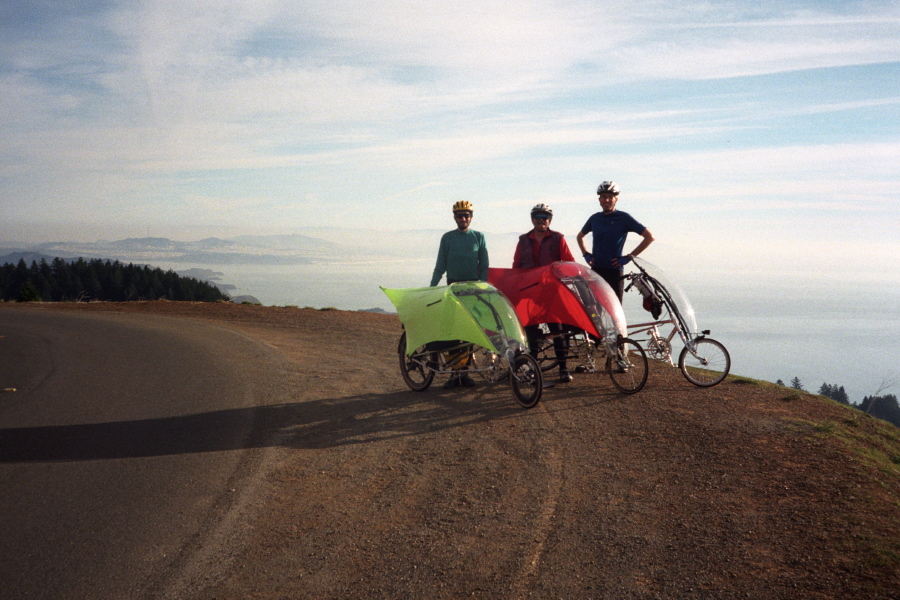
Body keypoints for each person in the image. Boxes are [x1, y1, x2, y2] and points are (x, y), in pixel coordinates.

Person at [513, 203, 577, 382]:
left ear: (550, 220)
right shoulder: (523, 240)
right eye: (537, 217)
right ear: (532, 219)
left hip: (551, 291)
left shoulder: (558, 238)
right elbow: (517, 265)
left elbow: (569, 262)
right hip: (530, 291)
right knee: (531, 330)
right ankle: (533, 367)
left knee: (558, 329)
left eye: (545, 218)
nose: (541, 221)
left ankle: (563, 368)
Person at [431, 200, 489, 388]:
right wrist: (432, 288)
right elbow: (440, 266)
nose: (463, 218)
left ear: (471, 217)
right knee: (452, 331)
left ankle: (464, 373)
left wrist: (483, 287)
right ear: (454, 217)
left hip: (472, 288)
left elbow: (484, 265)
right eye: (459, 215)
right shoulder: (447, 238)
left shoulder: (478, 237)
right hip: (453, 287)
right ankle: (453, 375)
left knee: (469, 331)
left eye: (466, 215)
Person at [576, 181, 655, 301]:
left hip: (615, 272)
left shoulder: (623, 218)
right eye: (603, 197)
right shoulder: (595, 218)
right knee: (595, 309)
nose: (606, 200)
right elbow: (579, 236)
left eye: (609, 197)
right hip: (596, 271)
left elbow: (649, 237)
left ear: (615, 199)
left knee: (615, 308)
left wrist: (629, 258)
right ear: (599, 200)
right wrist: (586, 254)